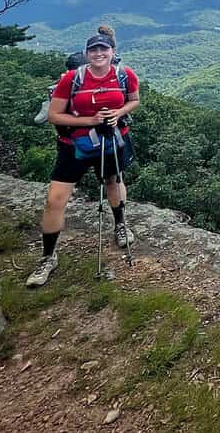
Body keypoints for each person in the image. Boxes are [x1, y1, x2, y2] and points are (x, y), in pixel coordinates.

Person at [26, 25, 140, 287]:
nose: (99, 53)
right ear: (87, 54)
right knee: (55, 199)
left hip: (110, 141)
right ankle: (48, 256)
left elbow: (133, 100)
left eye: (104, 48)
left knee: (113, 181)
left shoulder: (124, 75)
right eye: (94, 49)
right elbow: (54, 115)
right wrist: (90, 120)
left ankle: (120, 225)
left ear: (112, 52)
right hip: (73, 145)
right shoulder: (71, 80)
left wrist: (118, 114)